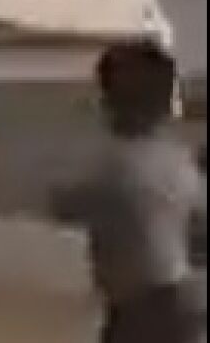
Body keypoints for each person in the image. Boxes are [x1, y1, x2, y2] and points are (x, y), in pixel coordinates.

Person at [51, 41, 206, 343]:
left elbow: (62, 206)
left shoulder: (116, 166)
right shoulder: (176, 159)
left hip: (139, 306)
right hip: (175, 296)